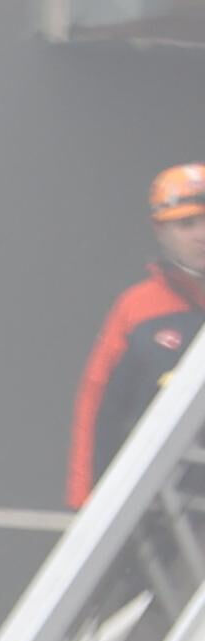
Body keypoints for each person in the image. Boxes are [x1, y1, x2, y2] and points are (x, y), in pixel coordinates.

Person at [70, 161, 205, 505]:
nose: (201, 234)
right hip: (163, 510)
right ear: (160, 231)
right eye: (187, 224)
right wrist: (87, 500)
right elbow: (98, 406)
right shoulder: (136, 308)